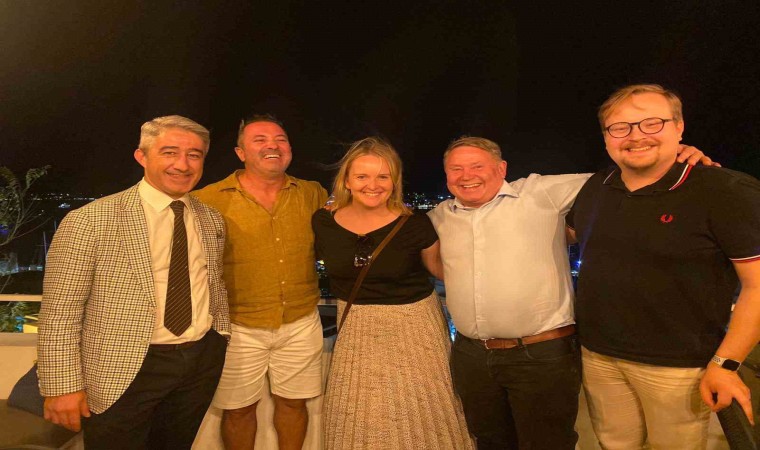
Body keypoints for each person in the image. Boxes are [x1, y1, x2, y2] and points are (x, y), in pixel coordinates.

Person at [428, 135, 712, 449]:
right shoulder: (439, 216)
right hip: (472, 356)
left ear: (501, 168)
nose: (466, 176)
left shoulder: (540, 192)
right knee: (489, 441)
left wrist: (671, 156)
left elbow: (618, 178)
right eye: (456, 169)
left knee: (548, 443)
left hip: (539, 355)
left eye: (477, 166)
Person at [567, 84, 760, 449]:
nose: (636, 136)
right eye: (620, 127)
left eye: (651, 123)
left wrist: (727, 363)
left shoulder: (724, 190)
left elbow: (757, 285)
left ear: (679, 127)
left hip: (679, 367)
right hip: (598, 355)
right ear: (606, 137)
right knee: (613, 445)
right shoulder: (597, 186)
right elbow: (566, 235)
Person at [37, 115, 230, 449]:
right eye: (169, 152)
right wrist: (61, 385)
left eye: (194, 155)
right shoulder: (90, 220)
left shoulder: (210, 218)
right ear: (142, 156)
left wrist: (219, 338)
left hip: (198, 364)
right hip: (123, 369)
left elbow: (213, 283)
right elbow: (60, 310)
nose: (182, 164)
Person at [313, 137, 474, 449]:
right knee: (357, 418)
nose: (373, 185)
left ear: (394, 181)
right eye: (362, 176)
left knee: (424, 416)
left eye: (383, 176)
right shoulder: (323, 221)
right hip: (356, 330)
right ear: (346, 181)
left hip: (416, 331)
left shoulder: (415, 224)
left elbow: (442, 270)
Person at [193, 114, 328, 450]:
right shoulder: (208, 199)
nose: (273, 146)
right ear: (240, 152)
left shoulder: (312, 193)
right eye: (260, 140)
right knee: (238, 410)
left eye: (280, 139)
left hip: (300, 320)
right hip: (237, 324)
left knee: (294, 404)